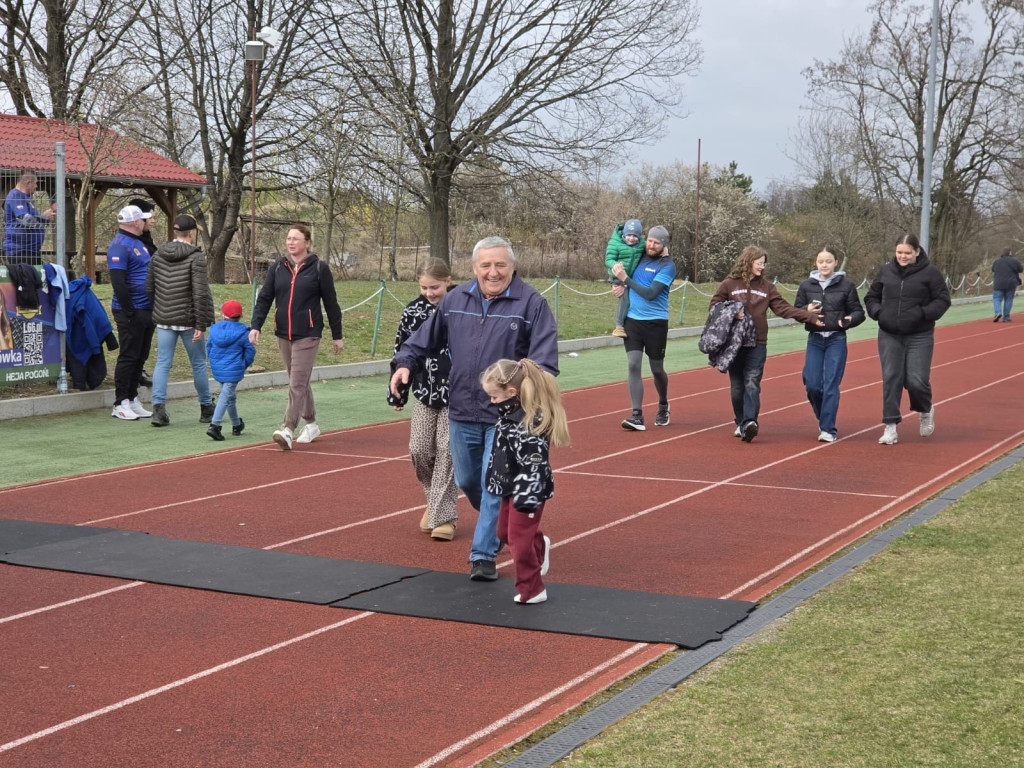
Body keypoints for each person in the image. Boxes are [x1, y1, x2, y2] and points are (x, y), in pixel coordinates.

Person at [390, 236, 559, 582]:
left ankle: (482, 555)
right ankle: (510, 530)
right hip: (462, 410)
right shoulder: (455, 300)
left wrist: (523, 387)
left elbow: (545, 363)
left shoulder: (532, 305)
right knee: (468, 480)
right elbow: (422, 339)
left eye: (500, 265)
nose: (493, 272)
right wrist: (405, 364)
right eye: (486, 265)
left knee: (491, 480)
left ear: (512, 267)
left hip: (507, 417)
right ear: (474, 268)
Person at [710, 245, 822, 442]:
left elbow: (783, 309)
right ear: (748, 261)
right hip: (734, 344)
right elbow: (714, 306)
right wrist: (733, 310)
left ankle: (750, 422)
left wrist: (808, 316)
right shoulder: (729, 284)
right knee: (737, 386)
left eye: (764, 263)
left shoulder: (767, 287)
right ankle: (740, 421)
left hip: (758, 342)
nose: (762, 267)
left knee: (752, 382)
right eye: (759, 263)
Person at [481, 358, 570, 604]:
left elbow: (534, 464)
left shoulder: (529, 424)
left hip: (527, 492)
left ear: (511, 393)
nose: (492, 402)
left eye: (495, 397)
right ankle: (539, 545)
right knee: (504, 533)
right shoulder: (508, 413)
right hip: (510, 487)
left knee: (519, 542)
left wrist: (527, 496)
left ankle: (533, 588)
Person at [249, 224, 343, 450]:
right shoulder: (277, 268)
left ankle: (288, 428)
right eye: (288, 238)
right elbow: (264, 298)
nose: (291, 242)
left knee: (296, 382)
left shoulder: (319, 269)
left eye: (296, 239)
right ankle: (311, 423)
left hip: (308, 334)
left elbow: (331, 303)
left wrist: (337, 335)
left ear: (307, 243)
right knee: (298, 381)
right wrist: (256, 326)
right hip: (284, 333)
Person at [387, 258, 459, 541]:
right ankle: (436, 503)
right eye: (424, 287)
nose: (430, 293)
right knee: (418, 450)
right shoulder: (413, 310)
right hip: (424, 392)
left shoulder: (462, 307)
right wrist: (398, 390)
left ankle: (445, 518)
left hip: (457, 394)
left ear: (448, 281)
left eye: (435, 287)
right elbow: (402, 349)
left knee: (446, 452)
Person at [865, 234, 951, 445]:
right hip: (889, 334)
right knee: (891, 378)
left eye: (907, 253)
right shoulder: (886, 270)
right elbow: (871, 296)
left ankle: (925, 408)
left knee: (916, 380)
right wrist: (878, 312)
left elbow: (943, 300)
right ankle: (890, 427)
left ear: (917, 252)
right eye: (899, 252)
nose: (902, 257)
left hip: (919, 335)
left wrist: (922, 314)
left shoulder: (930, 273)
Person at [146, 214, 215, 427]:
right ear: (192, 233)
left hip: (164, 319)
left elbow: (149, 287)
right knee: (198, 364)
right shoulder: (195, 257)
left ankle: (158, 410)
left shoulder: (158, 254)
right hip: (188, 320)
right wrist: (201, 323)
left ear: (176, 232)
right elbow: (200, 293)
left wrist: (159, 308)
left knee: (163, 363)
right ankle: (206, 408)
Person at [795, 247, 865, 442]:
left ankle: (828, 429)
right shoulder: (806, 285)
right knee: (812, 385)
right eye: (820, 261)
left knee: (830, 385)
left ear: (835, 262)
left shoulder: (847, 285)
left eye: (828, 261)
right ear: (816, 263)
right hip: (815, 340)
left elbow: (858, 311)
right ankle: (823, 416)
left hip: (836, 339)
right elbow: (796, 311)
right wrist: (805, 310)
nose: (824, 264)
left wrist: (848, 320)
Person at [611, 225, 675, 430]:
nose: (651, 245)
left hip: (656, 322)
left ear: (664, 245)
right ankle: (636, 415)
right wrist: (616, 283)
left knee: (656, 369)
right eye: (649, 240)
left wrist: (625, 280)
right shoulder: (639, 256)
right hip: (633, 321)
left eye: (656, 243)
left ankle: (663, 403)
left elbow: (650, 293)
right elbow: (618, 259)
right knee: (633, 364)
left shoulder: (668, 266)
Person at [108, 204, 156, 421]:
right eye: (142, 219)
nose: (145, 222)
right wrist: (129, 311)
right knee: (128, 355)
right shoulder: (119, 245)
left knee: (140, 355)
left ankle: (132, 397)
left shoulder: (138, 242)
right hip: (130, 310)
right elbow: (118, 281)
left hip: (146, 308)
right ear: (135, 222)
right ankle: (120, 402)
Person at [206, 299, 257, 441]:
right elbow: (250, 352)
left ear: (224, 314)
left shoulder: (215, 330)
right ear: (240, 315)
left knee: (229, 396)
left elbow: (209, 347)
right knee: (225, 395)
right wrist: (243, 364)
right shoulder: (243, 332)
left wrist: (214, 361)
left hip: (218, 368)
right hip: (234, 368)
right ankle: (214, 425)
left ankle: (236, 423)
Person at [3, 170, 55, 265]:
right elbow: (25, 220)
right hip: (20, 251)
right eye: (35, 183)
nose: (36, 186)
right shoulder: (16, 196)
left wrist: (45, 217)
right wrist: (44, 216)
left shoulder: (26, 199)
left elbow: (33, 219)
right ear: (28, 182)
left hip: (31, 251)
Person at [605, 219, 644, 338]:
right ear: (624, 234)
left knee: (634, 299)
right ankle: (619, 326)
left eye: (635, 236)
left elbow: (652, 248)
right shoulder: (615, 243)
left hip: (630, 277)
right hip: (617, 275)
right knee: (625, 300)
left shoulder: (642, 244)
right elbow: (608, 259)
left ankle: (634, 324)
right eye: (629, 235)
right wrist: (614, 265)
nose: (631, 238)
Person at [991, 248, 1022, 323]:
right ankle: (1006, 317)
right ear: (1010, 253)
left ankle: (998, 312)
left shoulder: (997, 261)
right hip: (1011, 283)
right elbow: (1021, 269)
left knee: (996, 298)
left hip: (998, 283)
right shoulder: (1015, 261)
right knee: (1008, 299)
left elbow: (993, 269)